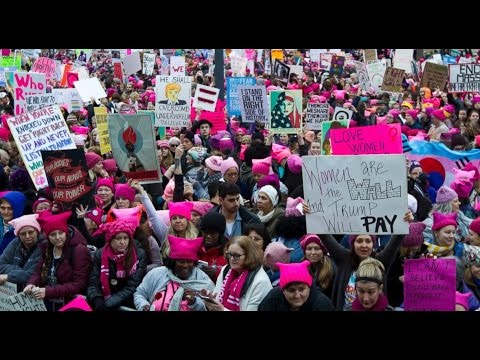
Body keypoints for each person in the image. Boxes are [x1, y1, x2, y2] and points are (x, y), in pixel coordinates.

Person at [24, 211, 92, 311]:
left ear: (66, 232)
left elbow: (79, 284)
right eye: (53, 234)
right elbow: (38, 271)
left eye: (61, 233)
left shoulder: (78, 250)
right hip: (50, 302)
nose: (57, 238)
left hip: (70, 304)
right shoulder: (48, 248)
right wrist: (31, 284)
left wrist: (48, 291)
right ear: (47, 236)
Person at [134, 235, 214, 311]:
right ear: (173, 262)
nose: (185, 265)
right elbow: (139, 294)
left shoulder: (203, 280)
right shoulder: (156, 274)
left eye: (189, 262)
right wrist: (144, 305)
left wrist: (194, 302)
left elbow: (212, 307)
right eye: (181, 262)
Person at [200, 235, 272, 311]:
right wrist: (210, 300)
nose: (231, 259)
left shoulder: (260, 281)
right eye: (229, 254)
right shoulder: (226, 269)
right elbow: (218, 298)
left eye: (237, 255)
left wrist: (222, 310)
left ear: (249, 255)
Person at [87, 220, 147, 311]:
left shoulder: (139, 255)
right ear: (110, 239)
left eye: (125, 238)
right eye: (118, 238)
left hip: (128, 303)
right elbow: (93, 280)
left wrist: (109, 303)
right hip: (104, 299)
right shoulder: (100, 254)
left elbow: (133, 286)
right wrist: (96, 298)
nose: (122, 242)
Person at [258, 260, 334, 311]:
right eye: (291, 290)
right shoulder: (273, 297)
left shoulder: (322, 305)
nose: (297, 295)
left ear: (309, 287)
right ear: (283, 290)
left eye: (301, 289)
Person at [0, 214, 42, 291]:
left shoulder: (43, 246)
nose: (27, 236)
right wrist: (21, 271)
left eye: (31, 232)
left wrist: (8, 276)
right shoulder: (15, 243)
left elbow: (32, 274)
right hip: (13, 290)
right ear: (18, 235)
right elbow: (1, 264)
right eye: (23, 234)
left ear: (37, 231)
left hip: (34, 290)